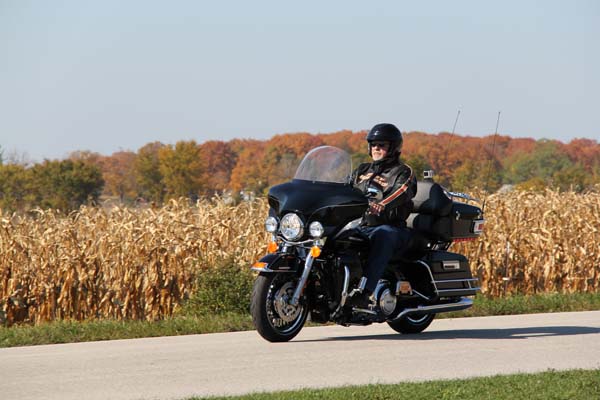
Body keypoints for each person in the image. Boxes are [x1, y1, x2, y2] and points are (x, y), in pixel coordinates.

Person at [349, 123, 417, 310]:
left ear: (393, 148)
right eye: (374, 144)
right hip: (360, 226)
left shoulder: (403, 172)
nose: (377, 148)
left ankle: (365, 292)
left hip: (392, 228)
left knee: (383, 235)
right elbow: (343, 190)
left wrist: (382, 204)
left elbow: (402, 191)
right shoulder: (362, 170)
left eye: (382, 145)